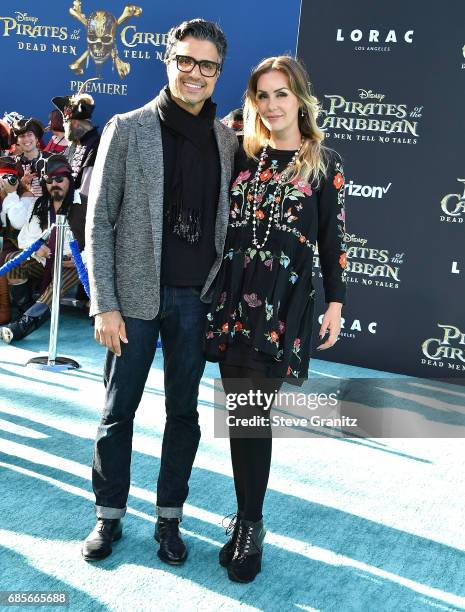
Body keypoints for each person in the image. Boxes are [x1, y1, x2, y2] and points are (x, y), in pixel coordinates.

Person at [83, 18, 237, 564]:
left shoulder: (225, 138)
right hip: (133, 302)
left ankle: (169, 520)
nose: (196, 74)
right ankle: (109, 516)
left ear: (219, 72)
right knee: (117, 412)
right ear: (167, 61)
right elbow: (98, 221)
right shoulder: (126, 128)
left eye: (208, 65)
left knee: (184, 415)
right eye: (186, 61)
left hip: (197, 301)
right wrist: (105, 303)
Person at [204, 56, 348, 583]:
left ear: (300, 98)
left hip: (283, 307)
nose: (271, 105)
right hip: (233, 302)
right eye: (262, 95)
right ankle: (247, 522)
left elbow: (333, 240)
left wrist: (336, 302)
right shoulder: (243, 155)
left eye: (281, 94)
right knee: (240, 417)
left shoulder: (322, 163)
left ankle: (249, 525)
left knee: (251, 417)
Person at [0, 155, 87, 343]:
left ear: (69, 180)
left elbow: (101, 241)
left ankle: (23, 325)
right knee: (13, 261)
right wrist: (37, 249)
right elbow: (25, 237)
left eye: (59, 179)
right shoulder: (39, 204)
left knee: (62, 279)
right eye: (49, 180)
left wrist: (82, 258)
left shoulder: (87, 205)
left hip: (76, 264)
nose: (54, 183)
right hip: (44, 261)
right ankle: (26, 311)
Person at [52, 87, 100, 196]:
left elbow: (86, 193)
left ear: (73, 123)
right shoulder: (76, 145)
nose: (64, 127)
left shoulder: (96, 146)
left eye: (65, 123)